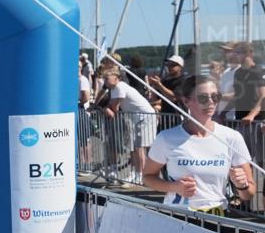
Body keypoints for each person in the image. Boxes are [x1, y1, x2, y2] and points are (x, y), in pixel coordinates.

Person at [143, 75, 256, 214]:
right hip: (178, 216)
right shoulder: (166, 138)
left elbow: (249, 193)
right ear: (186, 101)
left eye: (215, 97)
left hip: (217, 217)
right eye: (203, 98)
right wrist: (174, 187)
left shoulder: (232, 137)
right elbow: (147, 177)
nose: (210, 103)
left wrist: (242, 186)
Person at [103, 65, 157, 184]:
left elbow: (114, 107)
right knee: (135, 148)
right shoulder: (114, 89)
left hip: (145, 116)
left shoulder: (119, 87)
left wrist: (107, 108)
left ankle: (141, 176)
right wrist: (107, 108)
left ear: (116, 78)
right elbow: (112, 106)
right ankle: (136, 174)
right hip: (136, 118)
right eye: (104, 78)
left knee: (139, 147)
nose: (105, 80)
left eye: (107, 78)